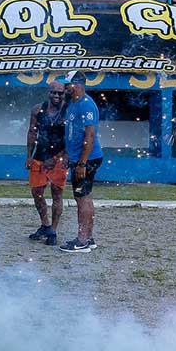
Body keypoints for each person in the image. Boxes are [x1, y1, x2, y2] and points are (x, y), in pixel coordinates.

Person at [57, 71, 102, 253]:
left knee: (82, 199)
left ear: (77, 85)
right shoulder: (72, 105)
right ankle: (88, 238)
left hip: (87, 159)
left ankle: (82, 240)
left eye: (67, 85)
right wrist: (69, 155)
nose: (65, 88)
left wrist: (82, 163)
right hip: (78, 158)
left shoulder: (86, 106)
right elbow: (71, 133)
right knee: (84, 197)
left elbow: (89, 136)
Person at [26, 81, 69, 246]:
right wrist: (29, 156)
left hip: (59, 158)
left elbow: (72, 138)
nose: (57, 96)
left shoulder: (68, 112)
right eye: (54, 93)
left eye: (60, 93)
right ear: (48, 92)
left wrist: (61, 157)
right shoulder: (38, 110)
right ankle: (45, 224)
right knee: (36, 192)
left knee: (57, 193)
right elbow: (32, 133)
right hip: (40, 155)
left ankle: (53, 230)